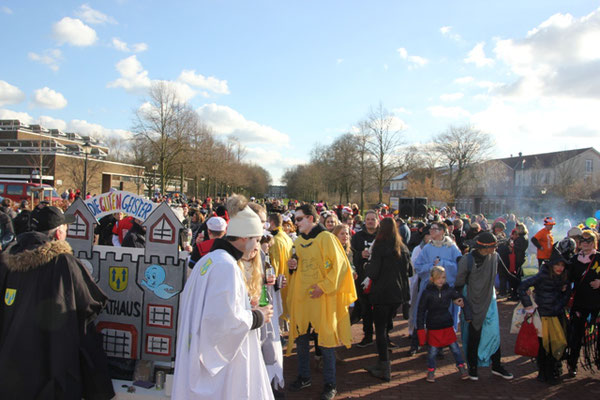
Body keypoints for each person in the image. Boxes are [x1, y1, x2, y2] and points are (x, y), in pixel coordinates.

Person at [0, 206, 114, 399]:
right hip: (48, 371)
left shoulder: (7, 261)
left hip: (10, 372)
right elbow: (88, 306)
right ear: (59, 233)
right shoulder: (62, 263)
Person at [172, 195, 275, 399]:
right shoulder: (226, 266)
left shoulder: (209, 260)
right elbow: (223, 321)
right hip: (220, 369)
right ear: (244, 237)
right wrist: (258, 316)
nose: (257, 246)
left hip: (197, 352)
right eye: (256, 239)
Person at [286, 204, 356, 400]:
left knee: (326, 342)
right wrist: (292, 266)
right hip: (303, 298)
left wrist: (323, 287)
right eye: (295, 219)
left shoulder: (327, 238)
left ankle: (330, 384)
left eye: (299, 219)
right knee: (301, 339)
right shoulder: (299, 241)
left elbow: (340, 267)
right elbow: (297, 267)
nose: (296, 223)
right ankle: (304, 377)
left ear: (310, 218)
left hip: (323, 298)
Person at [455, 232, 513, 381]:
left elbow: (507, 274)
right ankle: (473, 366)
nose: (495, 249)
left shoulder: (495, 257)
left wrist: (524, 285)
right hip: (472, 298)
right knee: (474, 333)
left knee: (493, 333)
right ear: (484, 247)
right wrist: (457, 298)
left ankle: (496, 365)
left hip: (489, 299)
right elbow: (459, 282)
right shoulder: (467, 260)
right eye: (493, 246)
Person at [364, 218, 413, 382]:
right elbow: (409, 272)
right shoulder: (402, 247)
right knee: (385, 329)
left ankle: (384, 366)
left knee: (380, 330)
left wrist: (366, 266)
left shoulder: (380, 246)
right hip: (397, 295)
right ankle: (381, 362)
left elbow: (373, 272)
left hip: (382, 293)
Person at [518, 253, 570, 384]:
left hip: (556, 315)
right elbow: (522, 286)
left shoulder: (564, 277)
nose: (560, 268)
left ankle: (550, 372)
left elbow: (566, 295)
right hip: (542, 316)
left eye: (562, 265)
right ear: (551, 265)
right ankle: (542, 372)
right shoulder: (542, 276)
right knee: (542, 346)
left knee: (555, 344)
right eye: (557, 265)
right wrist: (528, 305)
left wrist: (560, 302)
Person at [417, 266, 469, 383]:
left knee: (455, 349)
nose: (441, 280)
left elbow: (459, 297)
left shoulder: (448, 290)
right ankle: (431, 371)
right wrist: (420, 329)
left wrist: (463, 305)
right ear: (432, 279)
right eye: (438, 278)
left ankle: (461, 367)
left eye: (443, 277)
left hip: (446, 324)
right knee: (432, 352)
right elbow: (420, 311)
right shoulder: (427, 293)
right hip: (433, 326)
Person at [414, 222, 462, 332]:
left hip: (446, 289)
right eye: (430, 229)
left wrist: (443, 263)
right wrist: (432, 266)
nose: (430, 231)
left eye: (434, 229)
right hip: (429, 288)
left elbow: (459, 266)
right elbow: (418, 266)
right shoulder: (427, 248)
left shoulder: (452, 247)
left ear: (442, 231)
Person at [566, 230, 600, 377]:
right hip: (579, 303)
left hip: (597, 303)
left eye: (589, 240)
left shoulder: (599, 257)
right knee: (576, 335)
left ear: (594, 242)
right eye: (583, 240)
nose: (585, 243)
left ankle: (598, 360)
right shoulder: (574, 259)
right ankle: (572, 364)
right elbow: (567, 278)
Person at [351, 210, 379, 347]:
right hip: (362, 278)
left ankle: (383, 336)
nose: (370, 222)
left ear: (377, 221)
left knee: (381, 309)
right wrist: (360, 255)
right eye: (368, 219)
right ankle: (367, 335)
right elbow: (350, 254)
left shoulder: (383, 235)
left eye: (373, 219)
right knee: (365, 308)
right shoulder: (357, 237)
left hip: (379, 278)